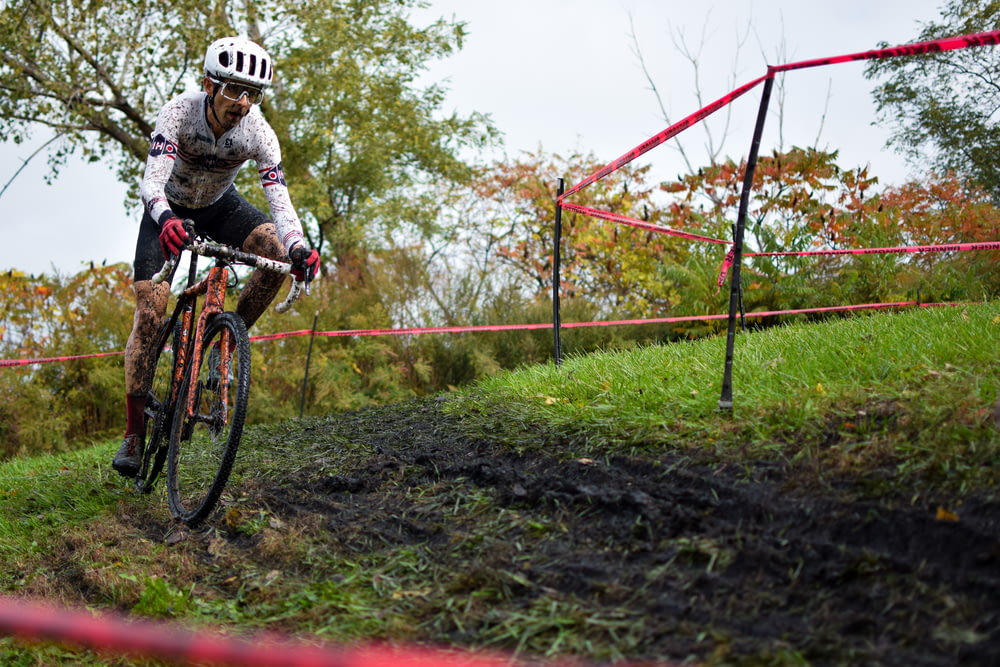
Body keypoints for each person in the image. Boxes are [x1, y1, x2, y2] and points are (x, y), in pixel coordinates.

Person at [113, 37, 321, 477]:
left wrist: (300, 246)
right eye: (233, 90)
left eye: (253, 94)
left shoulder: (259, 132)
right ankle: (133, 434)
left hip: (220, 206)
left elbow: (280, 202)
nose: (243, 104)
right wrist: (166, 217)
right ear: (209, 84)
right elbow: (150, 183)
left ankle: (227, 339)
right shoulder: (179, 112)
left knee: (277, 252)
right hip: (165, 210)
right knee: (150, 312)